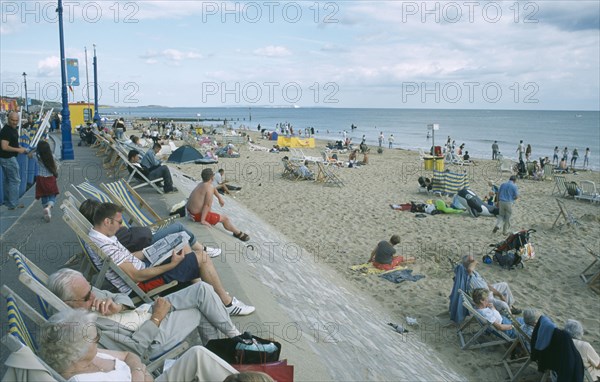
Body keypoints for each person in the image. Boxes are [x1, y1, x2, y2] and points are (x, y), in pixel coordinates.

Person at [88, 202, 254, 315]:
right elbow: (136, 276)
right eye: (118, 222)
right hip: (142, 283)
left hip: (143, 266)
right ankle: (227, 304)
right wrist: (171, 264)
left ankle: (203, 288)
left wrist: (151, 251)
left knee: (181, 242)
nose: (121, 225)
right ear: (107, 221)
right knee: (202, 257)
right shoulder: (105, 245)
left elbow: (127, 258)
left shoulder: (100, 236)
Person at [40, 308, 238, 381]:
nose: (98, 338)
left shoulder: (88, 356)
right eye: (95, 337)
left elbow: (127, 355)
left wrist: (137, 371)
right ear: (77, 352)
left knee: (198, 354)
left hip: (145, 376)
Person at [79, 199, 221, 257]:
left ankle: (200, 250)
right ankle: (202, 250)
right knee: (178, 228)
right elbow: (134, 242)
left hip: (144, 239)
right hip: (147, 244)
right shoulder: (109, 233)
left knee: (179, 230)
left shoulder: (102, 231)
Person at [187, 168, 250, 242]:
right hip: (196, 216)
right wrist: (203, 220)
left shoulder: (202, 184)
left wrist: (219, 198)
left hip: (190, 212)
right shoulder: (209, 188)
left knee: (210, 209)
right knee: (225, 219)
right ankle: (238, 233)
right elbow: (206, 205)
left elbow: (213, 188)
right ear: (212, 177)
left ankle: (208, 217)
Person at [0, 111, 27, 210]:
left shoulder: (13, 129)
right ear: (8, 119)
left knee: (8, 181)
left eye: (16, 120)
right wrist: (18, 150)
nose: (14, 122)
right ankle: (13, 203)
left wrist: (22, 148)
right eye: (12, 120)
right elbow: (4, 146)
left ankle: (10, 202)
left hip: (8, 157)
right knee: (15, 180)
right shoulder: (6, 131)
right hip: (8, 158)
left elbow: (13, 143)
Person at [31, 141, 59, 222]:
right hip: (50, 178)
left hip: (40, 179)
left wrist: (35, 150)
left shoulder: (36, 157)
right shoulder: (52, 156)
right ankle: (48, 208)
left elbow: (29, 155)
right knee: (52, 195)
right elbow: (55, 166)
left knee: (43, 195)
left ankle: (46, 212)